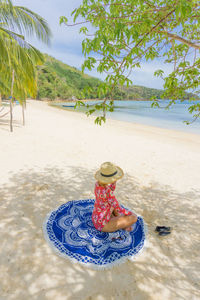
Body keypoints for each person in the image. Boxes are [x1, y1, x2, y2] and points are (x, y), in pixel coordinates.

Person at [92, 162, 137, 232]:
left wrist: (113, 181)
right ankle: (122, 224)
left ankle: (118, 220)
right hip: (103, 225)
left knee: (112, 206)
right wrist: (128, 214)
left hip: (96, 218)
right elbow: (119, 208)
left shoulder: (98, 184)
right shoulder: (108, 192)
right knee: (134, 217)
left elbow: (111, 189)